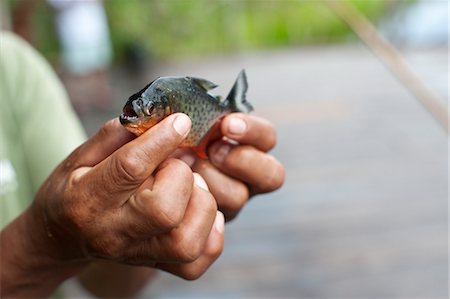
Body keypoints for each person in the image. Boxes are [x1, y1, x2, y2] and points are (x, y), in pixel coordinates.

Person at [0, 31, 285, 298]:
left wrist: (145, 223)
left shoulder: (14, 67)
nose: (134, 116)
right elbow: (72, 230)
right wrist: (46, 243)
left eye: (147, 111)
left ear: (166, 114)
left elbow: (107, 283)